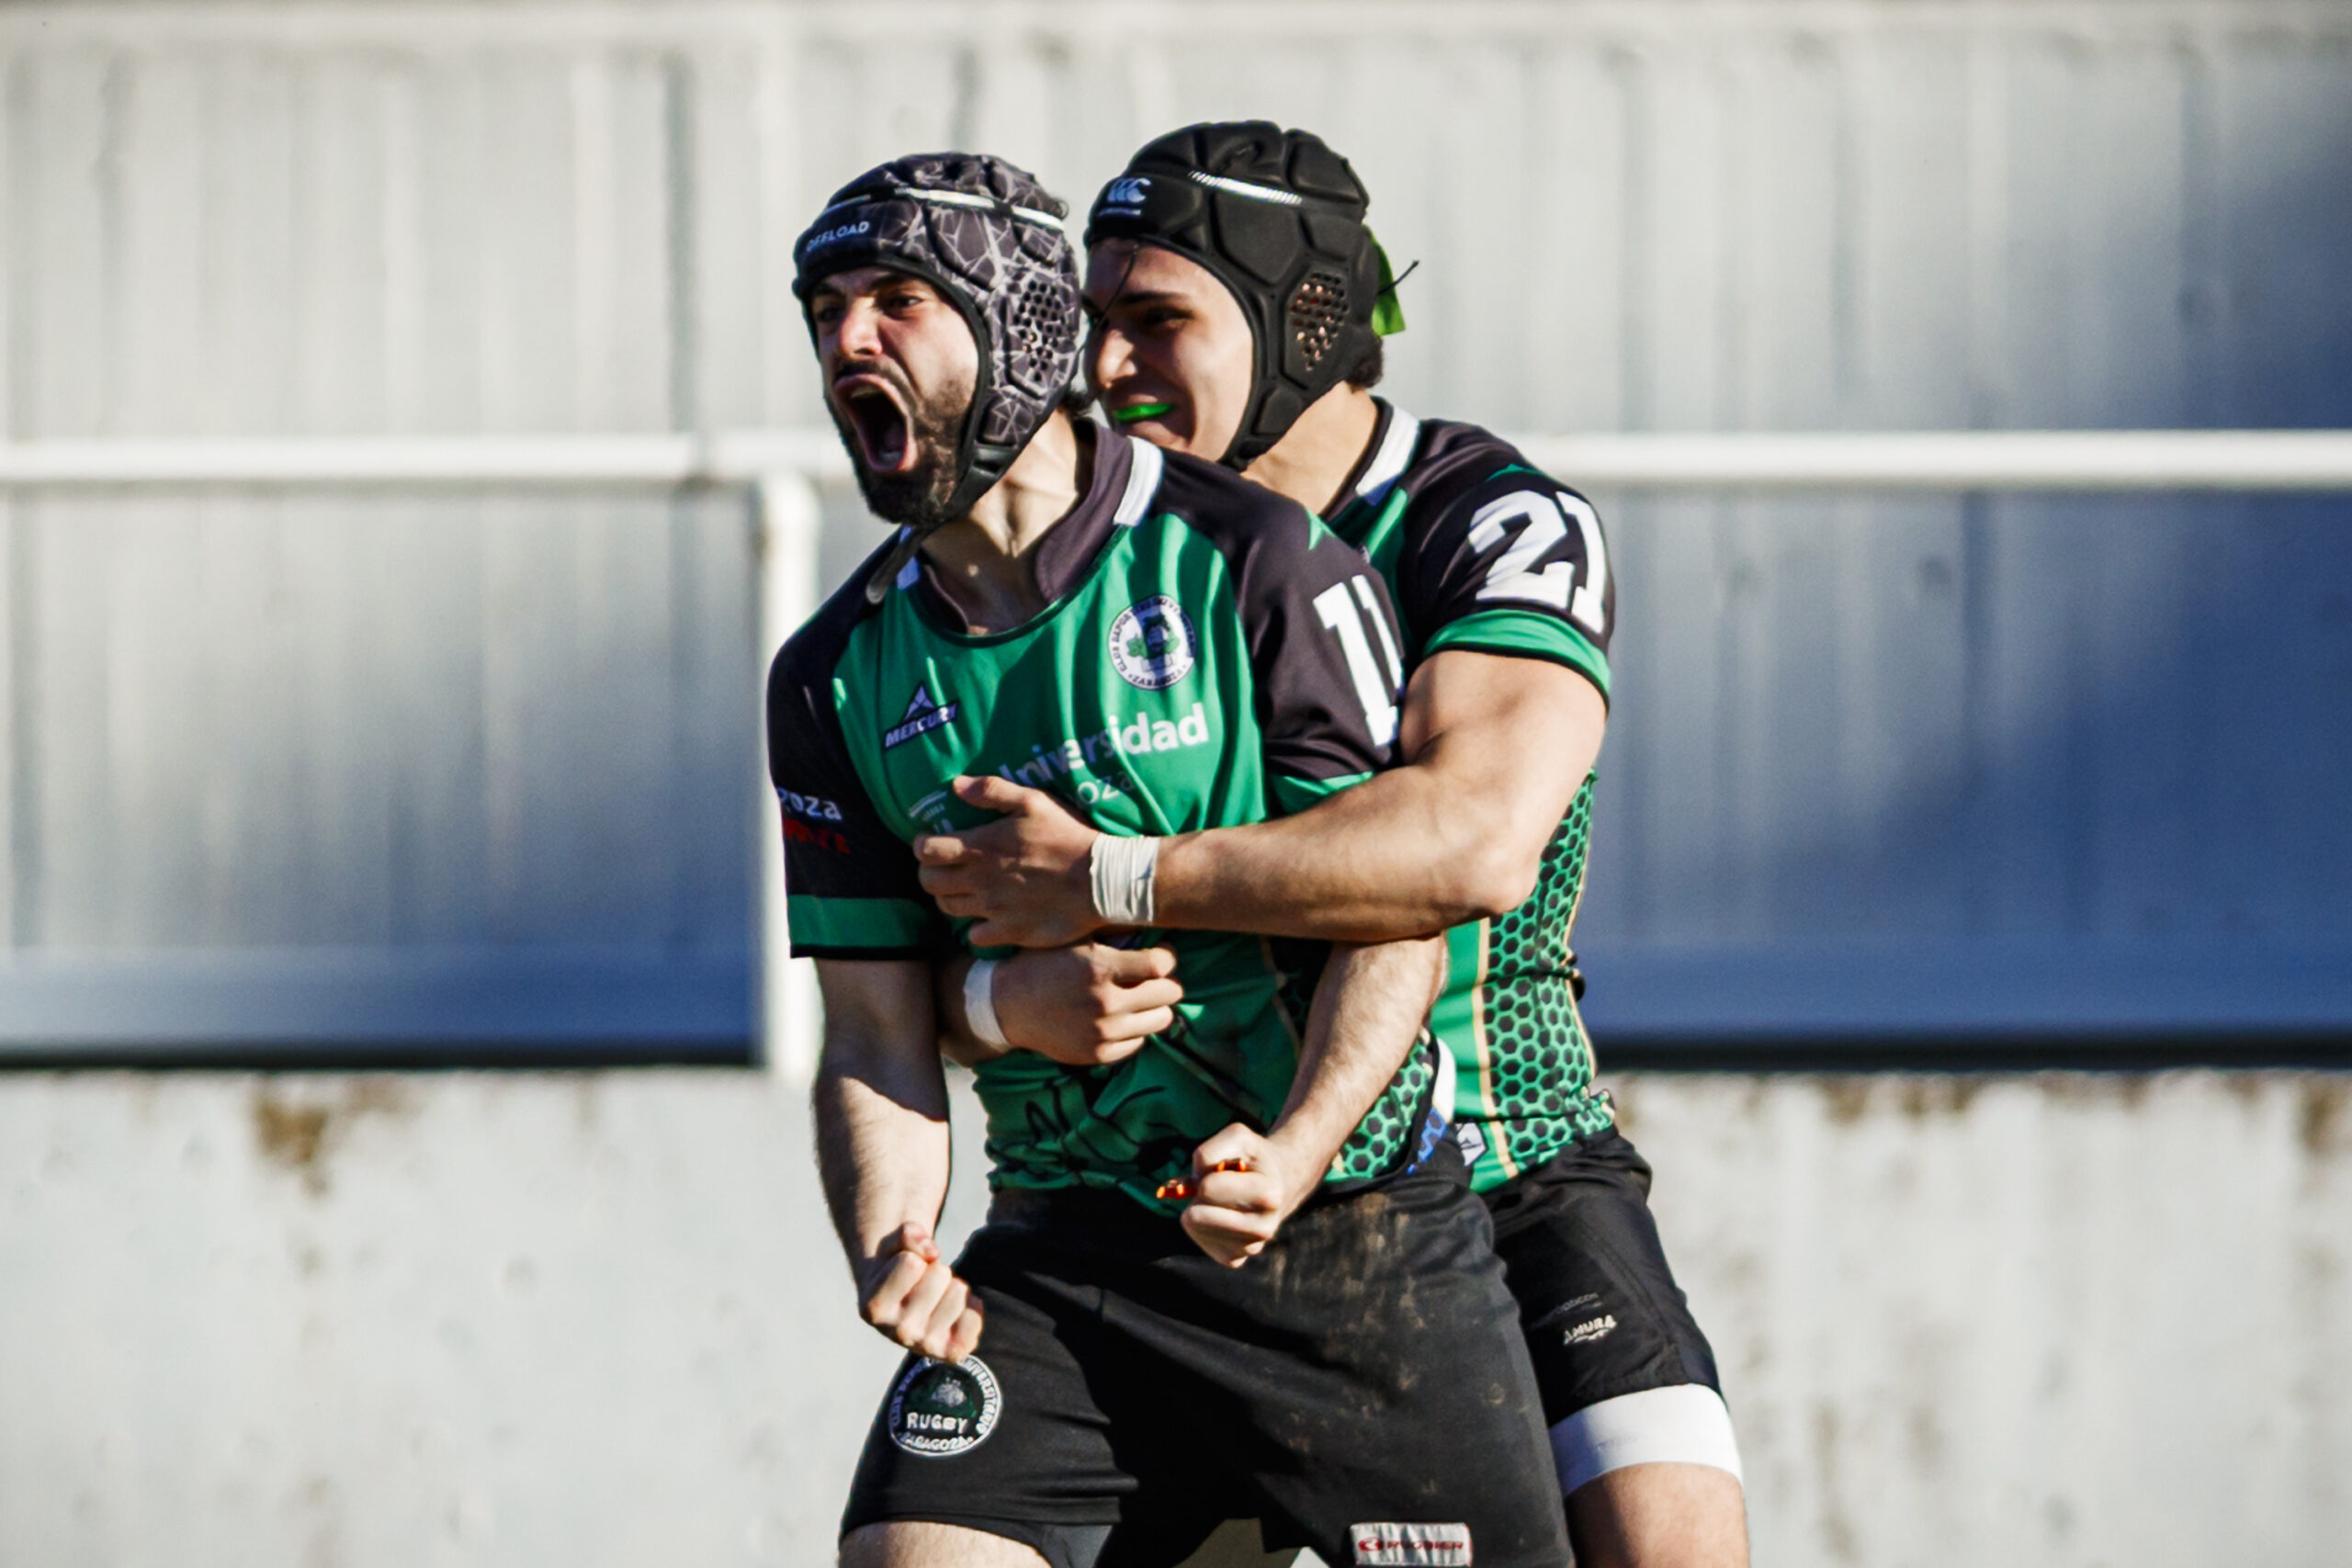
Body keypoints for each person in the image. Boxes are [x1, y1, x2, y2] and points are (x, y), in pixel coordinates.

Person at [913, 125, 1750, 1568]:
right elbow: (924, 949)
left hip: (1506, 1171)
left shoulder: (1484, 522)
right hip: (1176, 1212)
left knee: (1674, 1540)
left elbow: (1470, 847)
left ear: (1309, 324)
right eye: (1092, 324)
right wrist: (996, 1002)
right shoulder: (1058, 558)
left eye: (1156, 321)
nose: (1103, 370)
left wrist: (1117, 879)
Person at [767, 151, 1574, 1568]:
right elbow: (873, 1026)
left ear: (1020, 324)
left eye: (897, 300)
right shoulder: (831, 671)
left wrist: (1301, 1143)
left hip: (1350, 1241)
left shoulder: (1259, 559)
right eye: (825, 310)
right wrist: (894, 1238)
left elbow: (1392, 900)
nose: (847, 342)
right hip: (1065, 1252)